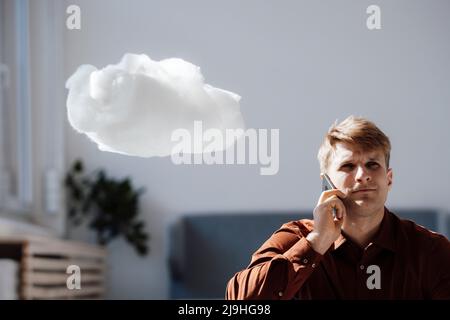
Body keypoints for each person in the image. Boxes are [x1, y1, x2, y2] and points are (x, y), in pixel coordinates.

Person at [226, 116, 450, 299]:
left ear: (389, 179)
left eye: (372, 165)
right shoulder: (296, 238)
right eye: (348, 166)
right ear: (326, 183)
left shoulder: (430, 250)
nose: (363, 176)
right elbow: (239, 300)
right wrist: (316, 243)